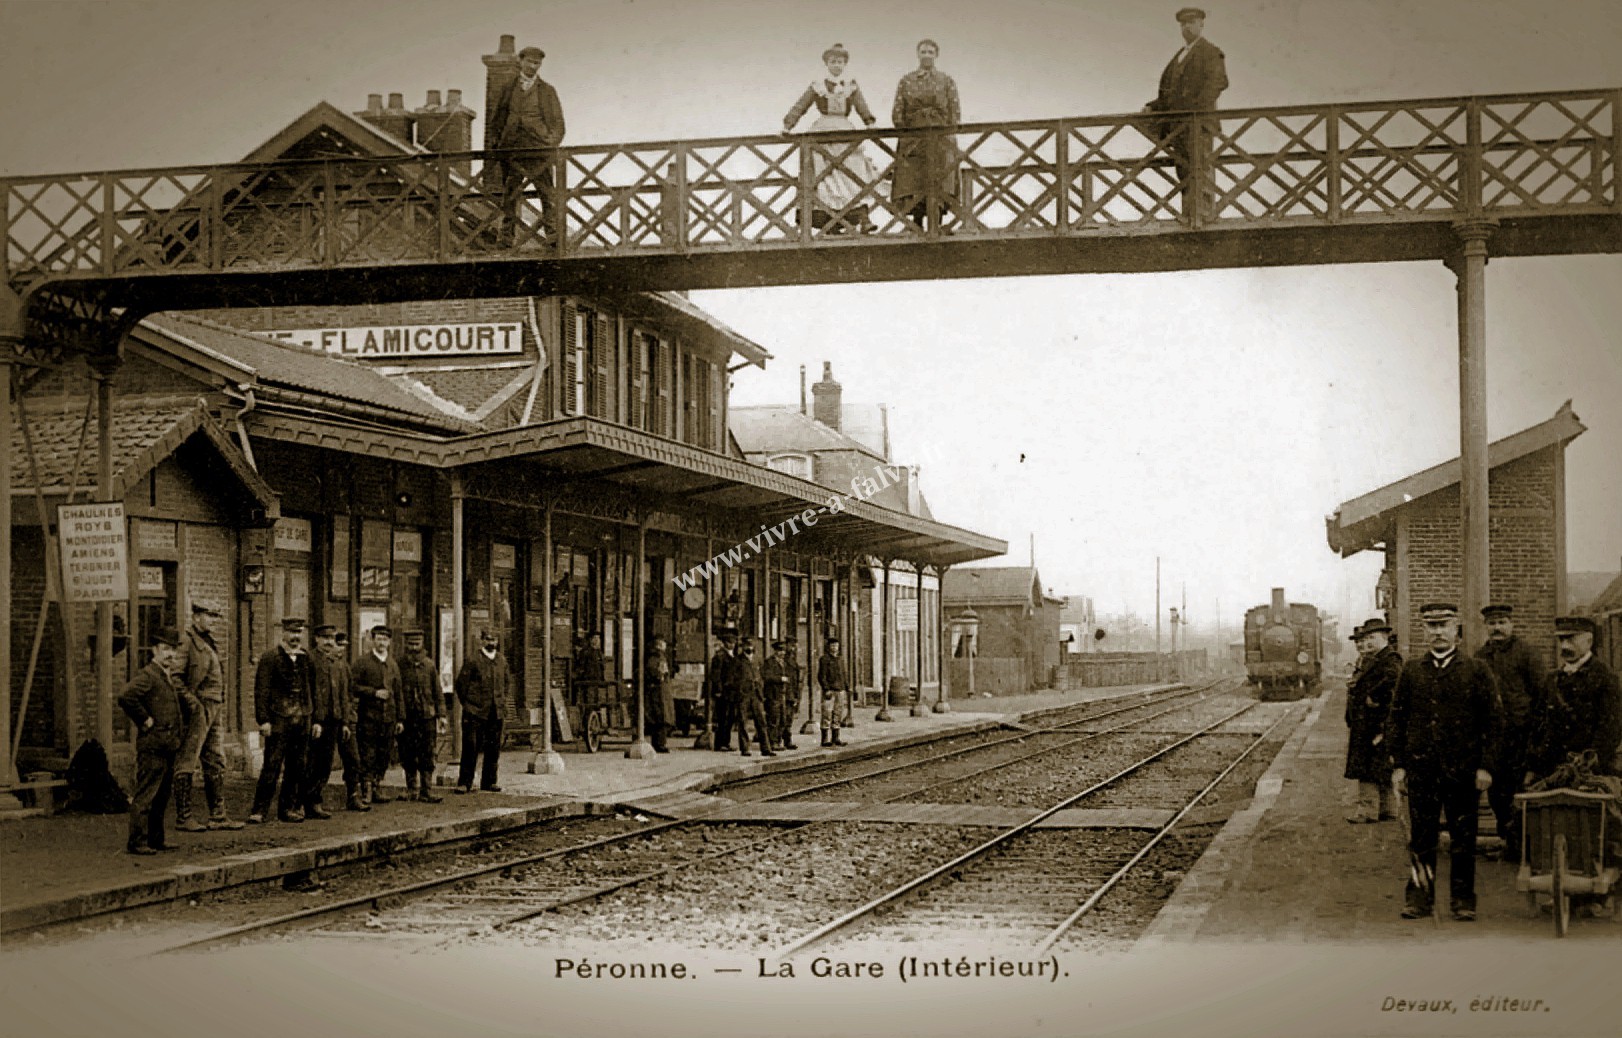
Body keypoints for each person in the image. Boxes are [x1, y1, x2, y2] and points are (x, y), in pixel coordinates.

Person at [1385, 603, 1502, 921]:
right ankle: (1419, 898)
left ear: (1457, 632)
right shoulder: (1411, 670)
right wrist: (1398, 764)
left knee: (1464, 839)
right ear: (1424, 631)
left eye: (1444, 626)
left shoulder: (1476, 670)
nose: (1438, 632)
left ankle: (1463, 901)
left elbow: (1492, 722)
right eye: (1431, 626)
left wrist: (1485, 766)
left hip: (1463, 771)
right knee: (1421, 838)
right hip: (1422, 771)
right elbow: (1396, 719)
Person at [116, 627, 199, 854]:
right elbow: (126, 696)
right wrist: (144, 720)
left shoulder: (166, 675)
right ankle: (137, 841)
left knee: (162, 796)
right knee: (146, 795)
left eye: (173, 650)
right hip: (153, 745)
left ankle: (155, 838)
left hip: (167, 744)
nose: (170, 655)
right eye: (165, 650)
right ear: (155, 650)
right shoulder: (149, 675)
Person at [783, 43, 880, 234]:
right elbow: (801, 105)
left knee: (853, 171)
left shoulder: (850, 85)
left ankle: (862, 218)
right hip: (823, 131)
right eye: (833, 61)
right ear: (827, 63)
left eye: (840, 62)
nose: (836, 65)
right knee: (822, 174)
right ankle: (827, 221)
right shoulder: (818, 85)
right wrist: (788, 125)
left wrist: (870, 123)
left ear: (845, 64)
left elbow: (861, 106)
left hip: (845, 129)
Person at [1473, 604, 1544, 859]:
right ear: (1486, 627)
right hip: (1494, 739)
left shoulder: (1527, 654)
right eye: (1492, 623)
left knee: (1521, 792)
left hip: (1522, 736)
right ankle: (1508, 842)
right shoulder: (1480, 657)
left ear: (1511, 624)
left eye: (1502, 622)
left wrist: (1536, 733)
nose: (1497, 628)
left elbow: (1540, 696)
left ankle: (1524, 847)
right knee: (1498, 794)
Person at [1142, 8, 1228, 219]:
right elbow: (1171, 93)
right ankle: (1190, 215)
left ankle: (1204, 217)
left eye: (1191, 22)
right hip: (1179, 126)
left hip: (1198, 124)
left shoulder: (1210, 52)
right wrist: (1153, 106)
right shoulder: (1180, 55)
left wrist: (1195, 110)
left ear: (1201, 25)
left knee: (1201, 167)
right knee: (1184, 170)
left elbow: (1218, 82)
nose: (1187, 27)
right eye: (1183, 24)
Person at [172, 601, 242, 831]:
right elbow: (175, 677)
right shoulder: (187, 642)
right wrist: (193, 704)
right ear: (196, 617)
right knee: (188, 760)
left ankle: (218, 815)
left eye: (214, 616)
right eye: (208, 616)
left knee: (215, 759)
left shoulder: (208, 642)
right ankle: (184, 817)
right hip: (199, 708)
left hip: (214, 708)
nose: (212, 620)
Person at [1525, 616, 1621, 781]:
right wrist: (1534, 764)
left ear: (1589, 641)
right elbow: (1538, 725)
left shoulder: (1605, 677)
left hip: (1589, 772)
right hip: (1552, 770)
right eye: (1562, 639)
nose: (1564, 646)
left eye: (1571, 639)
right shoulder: (1552, 679)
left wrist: (1590, 761)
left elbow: (1610, 729)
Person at [490, 44, 565, 245]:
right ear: (520, 62)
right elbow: (497, 119)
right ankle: (506, 237)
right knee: (511, 194)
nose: (533, 66)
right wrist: (498, 143)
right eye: (530, 62)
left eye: (537, 63)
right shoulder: (508, 89)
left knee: (546, 192)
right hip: (512, 149)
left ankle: (552, 236)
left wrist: (550, 142)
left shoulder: (547, 91)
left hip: (539, 150)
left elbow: (558, 123)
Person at [249, 618, 316, 824]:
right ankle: (259, 810)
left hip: (302, 719)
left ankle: (287, 809)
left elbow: (311, 691)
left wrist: (314, 719)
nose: (295, 637)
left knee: (296, 767)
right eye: (291, 633)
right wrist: (264, 720)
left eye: (299, 632)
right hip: (279, 720)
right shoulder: (271, 658)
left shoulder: (306, 659)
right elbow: (261, 691)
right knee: (272, 765)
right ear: (283, 634)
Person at [890, 38, 962, 231]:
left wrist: (949, 134)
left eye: (930, 52)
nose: (927, 56)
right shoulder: (907, 80)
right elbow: (898, 111)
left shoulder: (946, 80)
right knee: (913, 178)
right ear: (918, 54)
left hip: (939, 137)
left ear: (936, 55)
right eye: (923, 52)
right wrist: (905, 134)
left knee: (939, 177)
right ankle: (915, 222)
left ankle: (937, 222)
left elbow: (954, 111)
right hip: (914, 136)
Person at [1344, 618, 1401, 823]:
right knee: (1381, 767)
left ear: (1384, 637)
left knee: (1367, 768)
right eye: (1366, 638)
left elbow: (1393, 679)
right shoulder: (1377, 658)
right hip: (1370, 723)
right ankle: (1388, 809)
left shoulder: (1389, 659)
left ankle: (1367, 811)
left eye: (1372, 638)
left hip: (1376, 723)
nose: (1367, 642)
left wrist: (1373, 696)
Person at [307, 624, 366, 813]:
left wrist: (346, 722)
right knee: (316, 762)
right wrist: (315, 719)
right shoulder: (310, 661)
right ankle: (311, 801)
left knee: (343, 760)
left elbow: (345, 694)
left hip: (337, 720)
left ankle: (352, 797)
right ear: (316, 639)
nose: (329, 643)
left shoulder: (339, 664)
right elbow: (310, 693)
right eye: (324, 639)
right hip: (318, 720)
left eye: (331, 639)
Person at [351, 624, 404, 805]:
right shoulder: (363, 662)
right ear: (372, 641)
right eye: (378, 639)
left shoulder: (393, 664)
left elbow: (398, 693)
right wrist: (373, 692)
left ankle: (376, 785)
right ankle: (366, 789)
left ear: (389, 642)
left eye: (385, 639)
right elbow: (353, 687)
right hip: (369, 717)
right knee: (368, 754)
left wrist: (400, 719)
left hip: (388, 718)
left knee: (384, 754)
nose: (382, 642)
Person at [456, 629, 510, 792]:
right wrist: (470, 704)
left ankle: (489, 781)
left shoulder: (501, 661)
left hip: (495, 711)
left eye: (494, 640)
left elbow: (506, 683)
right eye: (488, 639)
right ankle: (465, 782)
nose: (491, 643)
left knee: (493, 748)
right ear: (482, 641)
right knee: (470, 747)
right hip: (475, 712)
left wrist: (500, 701)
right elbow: (461, 685)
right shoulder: (473, 660)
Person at [397, 629, 447, 802]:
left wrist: (442, 715)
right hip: (407, 717)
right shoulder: (400, 665)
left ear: (422, 644)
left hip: (427, 717)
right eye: (410, 644)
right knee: (408, 752)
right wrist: (399, 717)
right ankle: (412, 788)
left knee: (427, 753)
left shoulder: (429, 665)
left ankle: (427, 790)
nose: (413, 647)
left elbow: (438, 692)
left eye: (416, 644)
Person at [734, 639, 775, 758]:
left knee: (761, 721)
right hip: (744, 695)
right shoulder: (737, 661)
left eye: (751, 646)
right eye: (747, 646)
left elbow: (762, 675)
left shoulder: (757, 660)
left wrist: (760, 688)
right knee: (743, 721)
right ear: (742, 647)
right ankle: (745, 748)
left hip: (756, 695)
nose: (750, 648)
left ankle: (766, 748)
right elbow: (732, 679)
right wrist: (740, 690)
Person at [762, 639, 798, 751]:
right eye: (779, 650)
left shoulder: (786, 663)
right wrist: (780, 679)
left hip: (785, 695)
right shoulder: (769, 662)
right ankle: (773, 742)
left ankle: (779, 741)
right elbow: (766, 676)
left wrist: (794, 695)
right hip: (773, 695)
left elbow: (793, 680)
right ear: (775, 651)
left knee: (784, 719)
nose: (782, 653)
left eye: (783, 651)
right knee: (774, 719)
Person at [709, 628, 741, 751]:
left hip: (732, 692)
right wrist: (718, 690)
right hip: (723, 692)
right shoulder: (720, 656)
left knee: (730, 717)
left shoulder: (733, 656)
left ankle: (726, 742)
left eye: (733, 642)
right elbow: (716, 675)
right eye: (729, 642)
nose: (731, 645)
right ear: (724, 643)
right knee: (722, 718)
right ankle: (720, 743)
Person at [644, 635, 675, 753]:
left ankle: (659, 743)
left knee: (661, 718)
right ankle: (659, 744)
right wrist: (660, 676)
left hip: (661, 691)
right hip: (659, 692)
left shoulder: (657, 656)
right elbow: (658, 673)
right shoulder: (657, 656)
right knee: (660, 718)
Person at [818, 637, 850, 747]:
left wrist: (847, 687)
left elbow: (844, 674)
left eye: (836, 646)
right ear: (828, 647)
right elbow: (821, 676)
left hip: (840, 690)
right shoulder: (824, 659)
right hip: (830, 691)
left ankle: (836, 738)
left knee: (838, 713)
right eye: (832, 646)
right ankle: (825, 739)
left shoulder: (840, 659)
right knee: (827, 713)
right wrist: (826, 689)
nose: (834, 648)